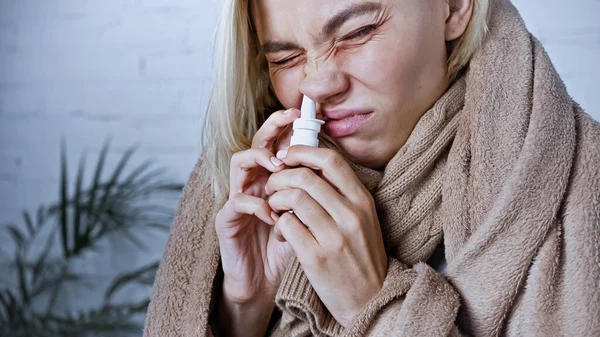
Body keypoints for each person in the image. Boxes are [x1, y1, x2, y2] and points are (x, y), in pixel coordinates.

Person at [144, 0, 600, 336]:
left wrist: (373, 303)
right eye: (285, 58)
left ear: (454, 7)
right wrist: (243, 309)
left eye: (358, 32)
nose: (317, 84)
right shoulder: (247, 181)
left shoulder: (586, 185)